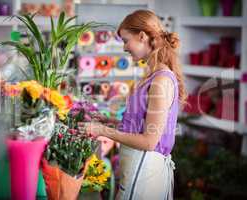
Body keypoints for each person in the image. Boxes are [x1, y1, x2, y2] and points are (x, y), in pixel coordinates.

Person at [78, 10, 187, 200]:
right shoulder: (152, 76)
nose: (124, 48)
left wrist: (102, 130)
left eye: (126, 40)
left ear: (142, 36)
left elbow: (149, 141)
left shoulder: (161, 80)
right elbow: (141, 127)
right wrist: (109, 120)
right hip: (139, 169)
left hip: (146, 173)